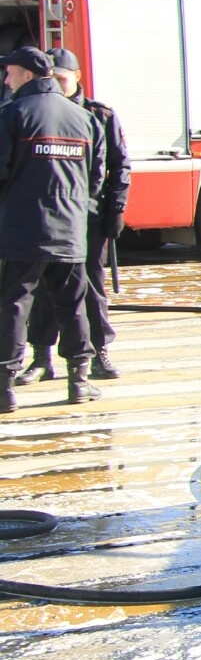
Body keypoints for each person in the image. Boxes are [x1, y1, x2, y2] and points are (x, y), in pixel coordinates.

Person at [0, 47, 104, 411]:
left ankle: (5, 388)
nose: (6, 80)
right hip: (71, 231)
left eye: (9, 73)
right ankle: (79, 381)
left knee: (14, 305)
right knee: (73, 305)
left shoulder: (12, 114)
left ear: (28, 75)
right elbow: (96, 177)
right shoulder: (85, 118)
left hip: (22, 232)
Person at [19, 49, 130, 383]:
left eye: (62, 78)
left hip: (87, 217)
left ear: (77, 77)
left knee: (92, 287)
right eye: (50, 77)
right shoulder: (37, 111)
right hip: (47, 216)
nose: (55, 83)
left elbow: (118, 166)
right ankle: (41, 358)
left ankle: (99, 353)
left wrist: (116, 209)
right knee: (40, 288)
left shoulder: (100, 116)